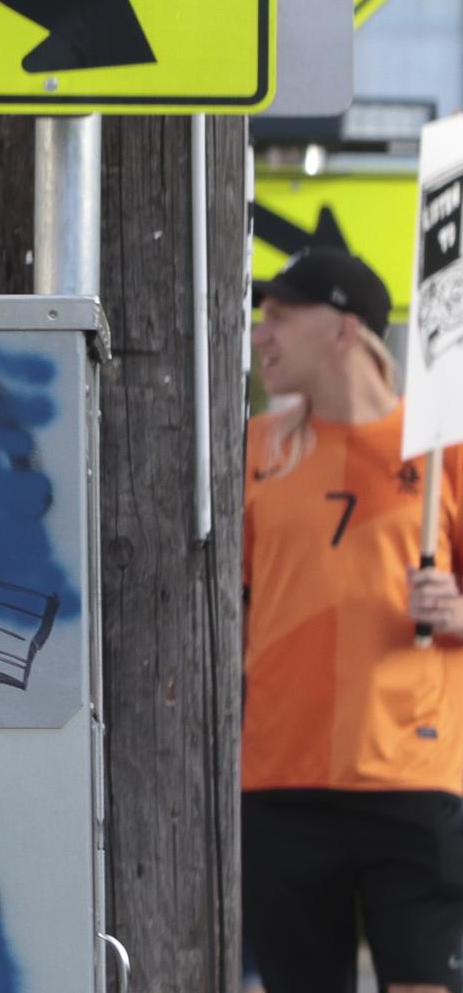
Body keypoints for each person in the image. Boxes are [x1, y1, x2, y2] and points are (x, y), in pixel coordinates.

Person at [242, 247, 463, 993]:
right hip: (281, 782)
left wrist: (459, 613)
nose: (259, 335)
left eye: (279, 317)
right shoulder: (254, 453)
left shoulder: (444, 453)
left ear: (342, 327)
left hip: (413, 776)